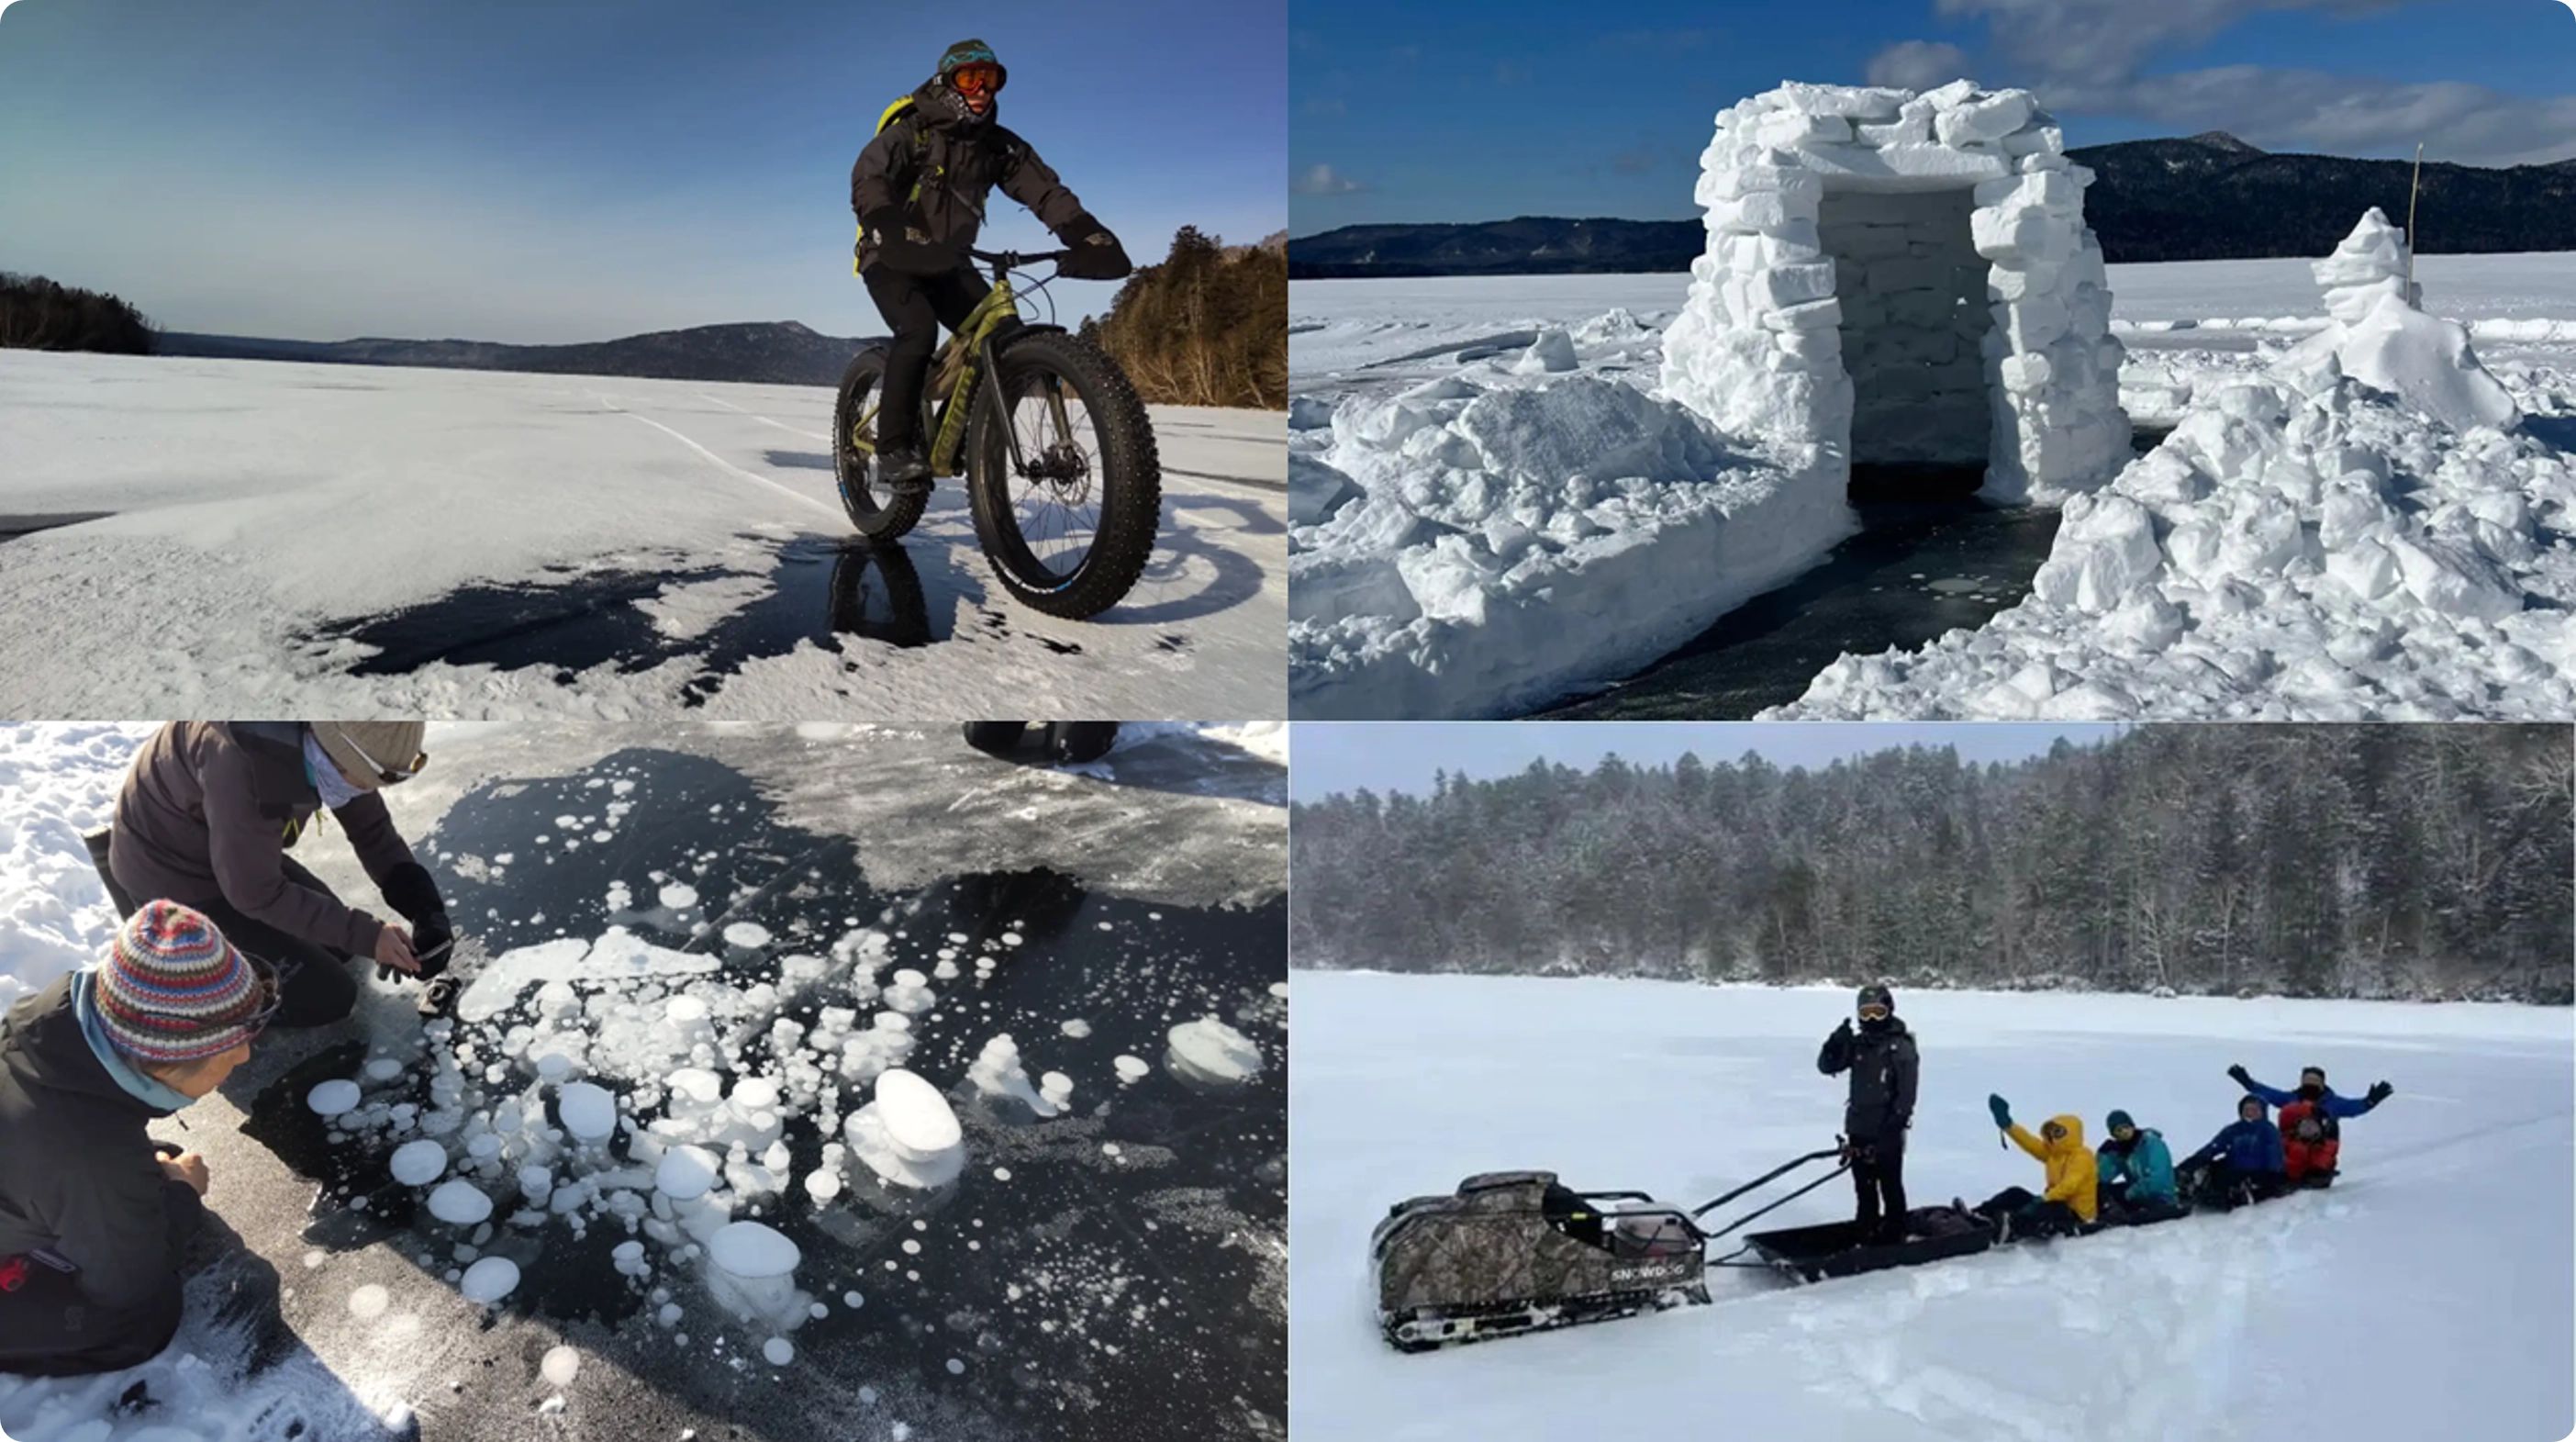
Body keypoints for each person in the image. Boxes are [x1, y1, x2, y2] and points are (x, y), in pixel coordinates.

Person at [0, 902, 276, 1376]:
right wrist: (183, 1196)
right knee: (143, 1318)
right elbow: (129, 1285)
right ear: (168, 1062)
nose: (246, 1056)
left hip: (31, 1168)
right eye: (230, 1052)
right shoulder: (91, 1159)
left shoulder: (53, 1020)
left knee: (149, 1171)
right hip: (50, 1181)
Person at [850, 38, 1132, 492]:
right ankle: (895, 446)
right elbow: (870, 177)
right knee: (917, 329)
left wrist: (1084, 232)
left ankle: (967, 433)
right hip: (892, 253)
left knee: (1002, 334)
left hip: (949, 260)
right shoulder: (913, 133)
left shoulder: (997, 147)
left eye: (992, 78)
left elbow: (1045, 192)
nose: (982, 88)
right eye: (969, 78)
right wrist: (886, 223)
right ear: (946, 84)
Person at [86, 722, 452, 1027]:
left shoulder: (329, 742)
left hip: (232, 853)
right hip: (173, 878)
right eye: (365, 780)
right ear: (337, 755)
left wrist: (424, 907)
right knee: (327, 998)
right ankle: (185, 982)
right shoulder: (245, 765)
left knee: (338, 945)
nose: (367, 791)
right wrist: (370, 936)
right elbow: (255, 893)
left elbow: (372, 832)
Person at [1815, 983, 1917, 1245]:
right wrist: (1835, 1044)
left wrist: (1893, 1127)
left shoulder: (1900, 1047)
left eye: (1878, 1012)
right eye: (1867, 1013)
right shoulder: (1859, 1044)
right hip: (1859, 1126)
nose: (1872, 1019)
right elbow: (1827, 1067)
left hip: (1887, 1128)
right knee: (1864, 1187)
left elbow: (1906, 1094)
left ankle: (1895, 1233)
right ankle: (1866, 1229)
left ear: (1889, 1011)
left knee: (1890, 1184)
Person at [2230, 1063, 2388, 1185]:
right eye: (2307, 1081)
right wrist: (2249, 1084)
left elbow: (2354, 1107)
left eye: (2314, 1081)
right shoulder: (2291, 1099)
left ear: (2322, 1084)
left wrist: (2370, 1102)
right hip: (2287, 1149)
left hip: (2317, 1153)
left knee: (2327, 1130)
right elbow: (2269, 1094)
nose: (2310, 1084)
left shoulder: (2332, 1103)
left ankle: (2316, 1171)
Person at [1969, 1098, 2097, 1240]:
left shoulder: (2083, 1155)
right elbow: (2029, 1143)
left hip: (2076, 1214)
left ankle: (2012, 1226)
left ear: (2072, 1132)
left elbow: (2070, 1185)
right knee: (2015, 1193)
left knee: (2044, 1209)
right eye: (2051, 1132)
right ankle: (1979, 1214)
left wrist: (2044, 1198)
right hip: (2053, 1201)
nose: (2054, 1136)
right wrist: (2008, 1125)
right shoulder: (2053, 1154)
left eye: (2059, 1132)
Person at [2177, 1094, 2289, 1208]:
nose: (2250, 1113)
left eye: (2254, 1109)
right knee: (2212, 1167)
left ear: (2262, 1112)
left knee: (2240, 1181)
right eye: (2247, 1109)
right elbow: (2214, 1147)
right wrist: (2193, 1162)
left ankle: (2238, 1194)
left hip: (2257, 1172)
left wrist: (2275, 1175)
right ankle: (2193, 1187)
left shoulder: (2268, 1129)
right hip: (2233, 1168)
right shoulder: (2233, 1130)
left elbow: (2274, 1152)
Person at [2093, 1109, 2180, 1220]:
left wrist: (2131, 1192)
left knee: (2123, 1196)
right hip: (2139, 1194)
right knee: (2102, 1190)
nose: (2124, 1132)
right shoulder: (2123, 1151)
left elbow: (2159, 1179)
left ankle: (2119, 1213)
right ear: (2114, 1135)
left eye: (2126, 1127)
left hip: (2161, 1195)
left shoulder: (2151, 1143)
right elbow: (2102, 1177)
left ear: (2132, 1126)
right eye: (2118, 1130)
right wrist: (2103, 1155)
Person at [2280, 1101, 2341, 1187]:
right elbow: (2287, 1113)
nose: (2308, 1129)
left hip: (2311, 1182)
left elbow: (2322, 1161)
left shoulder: (2323, 1147)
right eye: (2305, 1126)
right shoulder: (2288, 1140)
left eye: (2312, 1127)